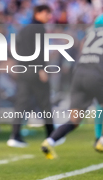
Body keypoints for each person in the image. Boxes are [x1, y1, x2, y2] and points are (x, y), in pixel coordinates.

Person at [41, 14, 103, 159]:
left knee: (74, 120)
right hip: (97, 75)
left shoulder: (89, 34)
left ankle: (50, 141)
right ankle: (100, 140)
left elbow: (80, 49)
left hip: (79, 75)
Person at [7, 5, 54, 148]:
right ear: (37, 13)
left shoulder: (24, 29)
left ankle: (15, 136)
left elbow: (15, 48)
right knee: (45, 103)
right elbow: (40, 51)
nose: (49, 16)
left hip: (22, 71)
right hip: (35, 71)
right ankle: (52, 135)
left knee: (21, 104)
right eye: (46, 13)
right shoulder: (40, 29)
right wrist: (42, 69)